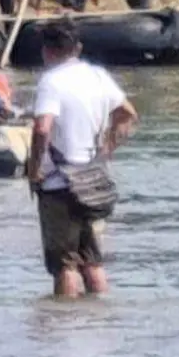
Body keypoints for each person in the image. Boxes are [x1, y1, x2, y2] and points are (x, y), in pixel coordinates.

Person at [25, 19, 137, 299]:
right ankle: (99, 320)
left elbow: (42, 128)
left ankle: (64, 325)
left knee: (65, 264)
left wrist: (34, 169)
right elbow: (127, 115)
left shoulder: (51, 81)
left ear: (47, 51)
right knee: (92, 260)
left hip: (58, 185)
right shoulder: (97, 75)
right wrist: (106, 150)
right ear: (78, 48)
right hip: (93, 180)